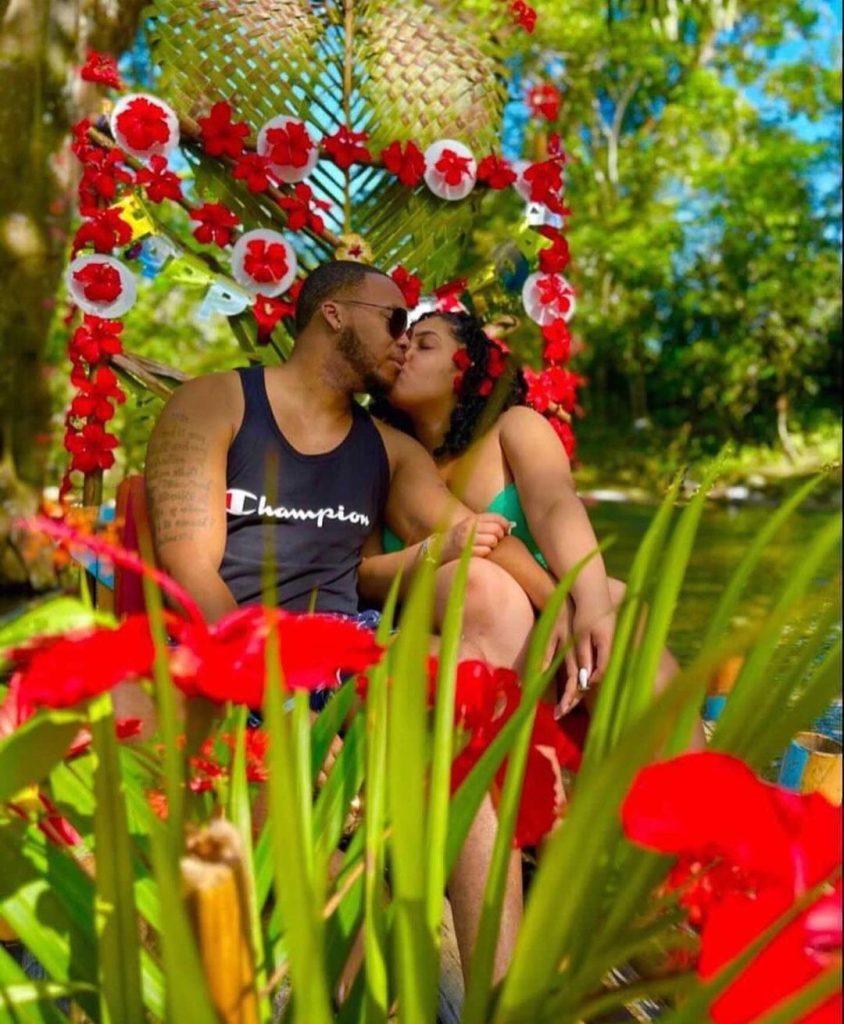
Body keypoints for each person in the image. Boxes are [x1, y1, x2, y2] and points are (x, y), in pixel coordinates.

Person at [143, 261, 555, 986]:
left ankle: (503, 992)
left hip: (344, 658)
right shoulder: (215, 403)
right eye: (396, 321)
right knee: (296, 825)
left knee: (458, 740)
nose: (405, 341)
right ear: (333, 313)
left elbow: (479, 533)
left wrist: (571, 605)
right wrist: (272, 699)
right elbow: (193, 573)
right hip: (227, 657)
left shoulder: (390, 452)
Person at [362, 309, 691, 722]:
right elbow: (364, 576)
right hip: (451, 617)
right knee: (486, 585)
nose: (406, 351)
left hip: (545, 604)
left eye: (425, 344)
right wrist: (437, 550)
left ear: (467, 369)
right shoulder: (381, 453)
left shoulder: (513, 428)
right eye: (404, 343)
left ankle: (677, 772)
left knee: (615, 601)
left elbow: (556, 506)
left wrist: (588, 605)